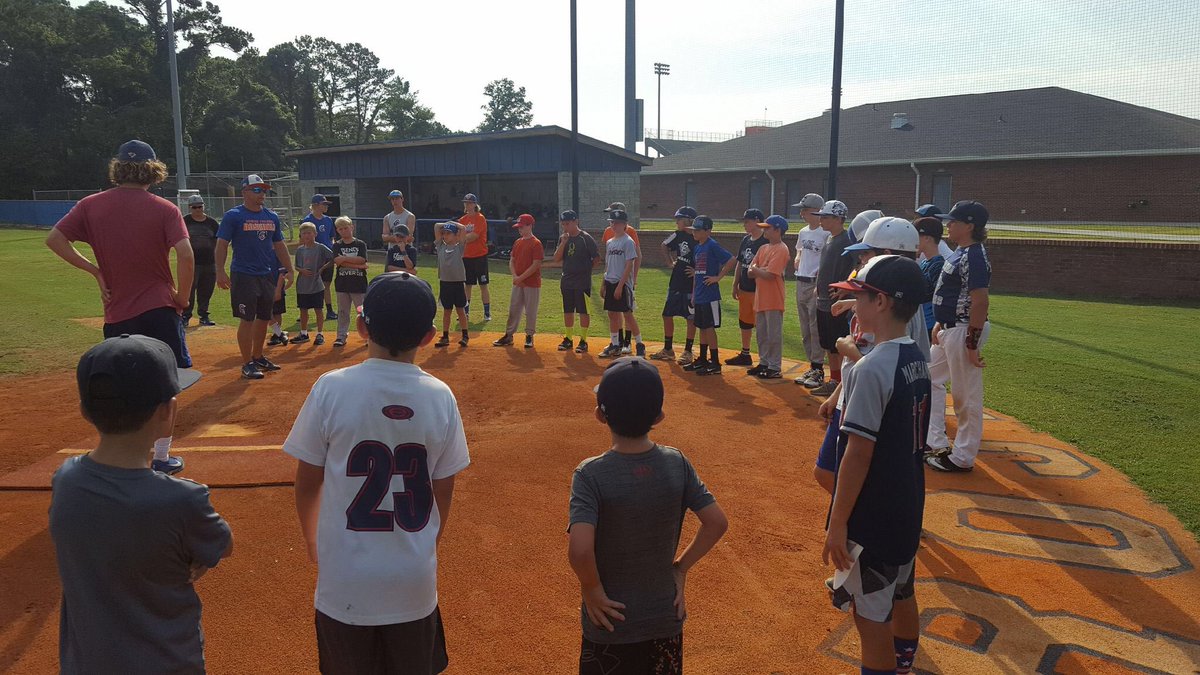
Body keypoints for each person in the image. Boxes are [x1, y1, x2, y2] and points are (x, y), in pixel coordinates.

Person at [286, 272, 470, 675]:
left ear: (362, 325)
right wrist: (425, 542)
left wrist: (311, 539)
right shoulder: (440, 396)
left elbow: (307, 482)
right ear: (428, 336)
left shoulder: (330, 388)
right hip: (412, 579)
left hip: (345, 580)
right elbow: (444, 491)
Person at [51, 334, 231, 673]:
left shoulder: (65, 479)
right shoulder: (183, 499)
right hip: (168, 663)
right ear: (168, 413)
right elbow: (222, 545)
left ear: (84, 410)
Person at [568, 357, 728, 675]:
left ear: (600, 414)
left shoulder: (590, 474)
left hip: (609, 622)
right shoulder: (676, 463)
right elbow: (716, 523)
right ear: (659, 416)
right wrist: (680, 570)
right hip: (663, 618)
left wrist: (593, 589)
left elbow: (580, 550)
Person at [47, 139, 194, 473]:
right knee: (167, 385)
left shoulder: (90, 205)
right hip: (159, 308)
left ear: (118, 168)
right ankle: (161, 457)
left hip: (118, 312)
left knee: (122, 387)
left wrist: (95, 271)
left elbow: (54, 239)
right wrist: (182, 298)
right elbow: (185, 254)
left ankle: (120, 459)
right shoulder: (164, 208)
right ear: (153, 170)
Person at [822, 254, 930, 675]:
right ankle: (903, 665)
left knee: (870, 622)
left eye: (860, 298)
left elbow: (858, 453)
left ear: (881, 302)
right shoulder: (916, 357)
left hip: (873, 519)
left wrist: (837, 523)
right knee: (902, 593)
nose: (856, 307)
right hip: (906, 506)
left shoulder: (872, 368)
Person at [926, 201, 992, 473]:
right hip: (950, 327)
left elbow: (980, 302)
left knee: (966, 396)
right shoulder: (960, 252)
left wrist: (971, 343)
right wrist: (940, 321)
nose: (948, 225)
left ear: (969, 225)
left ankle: (962, 457)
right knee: (928, 377)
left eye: (953, 221)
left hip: (964, 329)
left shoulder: (974, 255)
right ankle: (935, 441)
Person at [215, 174, 295, 380]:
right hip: (243, 274)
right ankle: (246, 363)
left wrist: (289, 268)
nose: (262, 193)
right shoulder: (234, 216)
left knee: (264, 318)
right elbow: (222, 244)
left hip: (266, 273)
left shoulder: (271, 216)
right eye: (257, 190)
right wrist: (220, 271)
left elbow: (279, 245)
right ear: (245, 192)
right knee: (247, 319)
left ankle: (258, 356)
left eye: (264, 190)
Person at [809, 200, 854, 397]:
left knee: (839, 344)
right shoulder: (829, 239)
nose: (821, 221)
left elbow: (856, 269)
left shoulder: (846, 242)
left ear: (838, 219)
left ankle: (843, 384)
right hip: (824, 300)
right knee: (828, 343)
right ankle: (834, 380)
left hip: (837, 301)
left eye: (825, 217)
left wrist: (845, 288)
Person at [684, 216, 737, 376]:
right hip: (699, 294)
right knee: (701, 326)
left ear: (708, 231)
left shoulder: (712, 245)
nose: (695, 233)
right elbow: (697, 273)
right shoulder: (698, 247)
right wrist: (693, 293)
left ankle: (715, 362)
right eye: (694, 230)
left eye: (698, 230)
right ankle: (702, 359)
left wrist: (718, 277)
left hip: (710, 295)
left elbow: (731, 259)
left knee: (709, 327)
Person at [650, 207, 698, 363]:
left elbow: (707, 257)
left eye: (679, 219)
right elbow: (664, 245)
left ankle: (688, 351)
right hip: (676, 281)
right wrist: (669, 262)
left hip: (691, 283)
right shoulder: (678, 235)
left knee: (690, 317)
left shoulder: (698, 237)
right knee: (667, 314)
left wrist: (697, 271)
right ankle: (668, 349)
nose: (677, 222)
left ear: (689, 220)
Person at [745, 215, 790, 379]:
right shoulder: (763, 248)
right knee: (762, 334)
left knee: (773, 335)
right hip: (761, 298)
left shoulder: (782, 249)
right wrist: (759, 270)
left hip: (774, 299)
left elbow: (771, 275)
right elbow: (750, 271)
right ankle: (764, 362)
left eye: (767, 228)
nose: (764, 230)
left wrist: (758, 269)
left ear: (777, 230)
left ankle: (774, 366)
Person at [549, 210, 599, 353]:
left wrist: (586, 271)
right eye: (563, 224)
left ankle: (583, 340)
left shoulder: (585, 238)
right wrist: (564, 242)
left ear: (575, 222)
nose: (565, 227)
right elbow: (556, 258)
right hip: (567, 280)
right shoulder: (563, 238)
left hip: (582, 282)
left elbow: (596, 258)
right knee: (568, 310)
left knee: (583, 311)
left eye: (568, 223)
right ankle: (568, 338)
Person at [792, 193, 828, 386]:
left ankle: (818, 369)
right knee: (805, 328)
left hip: (815, 283)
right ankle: (812, 367)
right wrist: (797, 257)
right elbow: (799, 248)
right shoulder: (803, 231)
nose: (801, 213)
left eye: (804, 209)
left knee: (815, 328)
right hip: (801, 281)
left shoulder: (825, 234)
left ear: (814, 211)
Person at [492, 214, 543, 348]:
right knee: (514, 308)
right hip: (518, 282)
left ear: (530, 225)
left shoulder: (536, 243)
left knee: (530, 310)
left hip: (531, 283)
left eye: (522, 226)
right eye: (518, 227)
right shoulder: (518, 242)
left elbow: (536, 264)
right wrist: (515, 276)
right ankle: (509, 335)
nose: (519, 229)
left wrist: (520, 277)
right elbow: (512, 261)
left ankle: (529, 336)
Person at [598, 209, 644, 358]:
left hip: (622, 284)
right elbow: (607, 265)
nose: (614, 225)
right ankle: (615, 344)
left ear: (625, 224)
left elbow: (629, 265)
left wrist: (620, 286)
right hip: (610, 281)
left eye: (617, 223)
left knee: (628, 315)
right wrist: (603, 283)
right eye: (612, 222)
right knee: (612, 314)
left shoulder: (628, 241)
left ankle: (639, 344)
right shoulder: (610, 242)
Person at [729, 208, 768, 367]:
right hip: (744, 288)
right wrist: (735, 283)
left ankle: (764, 358)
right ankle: (745, 354)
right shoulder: (746, 240)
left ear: (757, 221)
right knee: (744, 322)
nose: (744, 225)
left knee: (760, 325)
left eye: (747, 221)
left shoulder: (765, 241)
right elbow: (740, 262)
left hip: (759, 290)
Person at [291, 222, 335, 346]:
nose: (307, 235)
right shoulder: (300, 250)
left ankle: (320, 334)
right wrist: (302, 270)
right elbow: (297, 266)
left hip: (316, 284)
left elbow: (333, 258)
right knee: (303, 310)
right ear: (300, 235)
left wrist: (322, 268)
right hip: (302, 285)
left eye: (309, 233)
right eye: (304, 233)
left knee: (318, 310)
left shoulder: (320, 247)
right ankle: (304, 333)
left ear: (315, 234)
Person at [331, 216, 369, 348]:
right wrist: (358, 265)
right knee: (343, 312)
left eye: (346, 228)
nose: (344, 231)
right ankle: (341, 336)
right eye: (340, 229)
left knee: (362, 312)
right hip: (342, 285)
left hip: (358, 285)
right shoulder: (337, 245)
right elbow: (337, 261)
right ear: (338, 231)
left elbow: (362, 259)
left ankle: (369, 336)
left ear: (352, 227)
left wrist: (345, 259)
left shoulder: (360, 244)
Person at [183, 194, 219, 327]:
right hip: (191, 262)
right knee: (190, 290)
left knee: (206, 289)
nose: (198, 209)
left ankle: (204, 315)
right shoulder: (185, 221)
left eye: (200, 206)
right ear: (190, 208)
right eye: (194, 207)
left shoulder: (211, 223)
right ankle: (185, 316)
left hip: (209, 262)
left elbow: (218, 240)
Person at [302, 194, 338, 319]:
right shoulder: (307, 220)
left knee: (326, 284)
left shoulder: (328, 220)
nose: (326, 206)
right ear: (316, 205)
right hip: (313, 256)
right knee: (310, 284)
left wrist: (331, 250)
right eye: (324, 204)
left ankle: (329, 311)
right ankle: (304, 311)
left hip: (327, 257)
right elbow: (303, 241)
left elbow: (331, 237)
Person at [433, 222, 470, 348]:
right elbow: (436, 226)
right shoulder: (441, 247)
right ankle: (445, 336)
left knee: (460, 310)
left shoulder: (459, 247)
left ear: (456, 236)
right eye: (444, 233)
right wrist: (446, 225)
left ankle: (465, 336)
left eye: (449, 233)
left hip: (458, 283)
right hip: (445, 283)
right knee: (447, 311)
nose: (445, 236)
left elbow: (463, 228)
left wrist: (453, 225)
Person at [458, 193, 492, 321]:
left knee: (483, 284)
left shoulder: (480, 218)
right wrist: (461, 239)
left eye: (470, 202)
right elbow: (457, 237)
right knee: (467, 285)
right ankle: (466, 312)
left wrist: (462, 238)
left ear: (475, 204)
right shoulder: (462, 220)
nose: (467, 205)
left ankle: (487, 313)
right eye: (465, 202)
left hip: (480, 256)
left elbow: (474, 236)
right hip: (466, 256)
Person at [914, 217, 945, 341]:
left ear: (927, 238)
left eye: (916, 236)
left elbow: (940, 298)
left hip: (930, 326)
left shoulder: (938, 265)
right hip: (922, 324)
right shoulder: (925, 262)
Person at [266, 263, 293, 347]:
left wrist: (278, 290)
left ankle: (276, 335)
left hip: (275, 287)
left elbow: (282, 274)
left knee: (276, 312)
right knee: (266, 313)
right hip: (264, 288)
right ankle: (279, 334)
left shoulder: (278, 254)